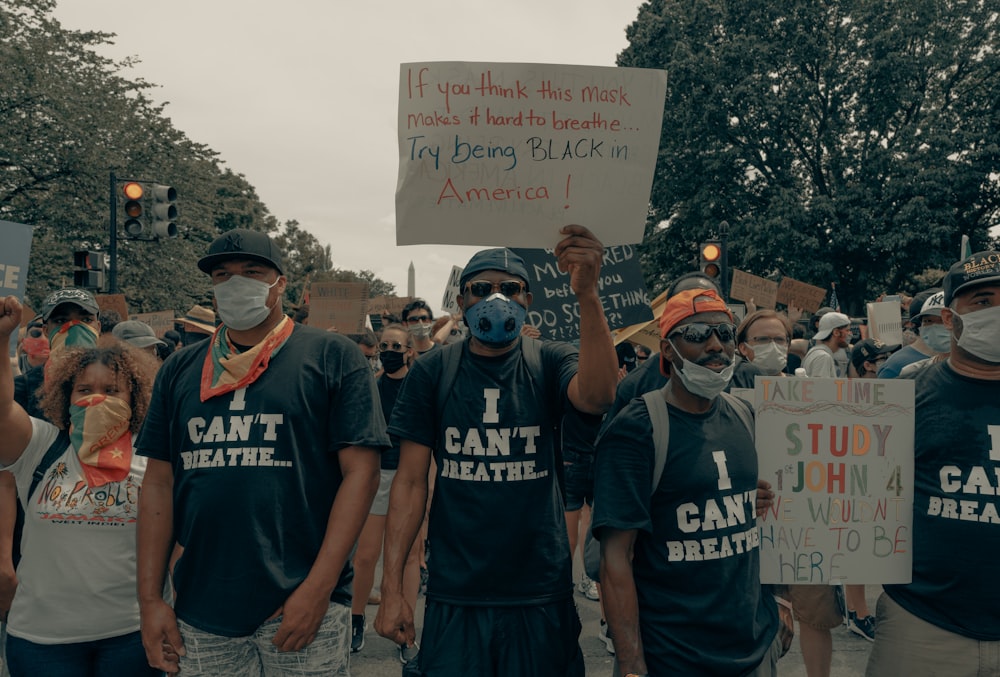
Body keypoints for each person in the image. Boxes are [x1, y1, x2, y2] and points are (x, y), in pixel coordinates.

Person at [135, 228, 390, 676]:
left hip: (302, 603)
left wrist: (319, 588)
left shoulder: (332, 356)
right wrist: (151, 601)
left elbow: (362, 475)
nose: (236, 283)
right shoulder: (180, 368)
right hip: (200, 611)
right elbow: (158, 483)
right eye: (223, 274)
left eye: (252, 272)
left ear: (281, 284)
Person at [375, 226, 618, 677]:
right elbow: (409, 483)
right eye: (481, 289)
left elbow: (599, 396)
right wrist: (392, 589)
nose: (496, 297)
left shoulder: (549, 359)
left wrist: (588, 296)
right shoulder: (432, 371)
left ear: (528, 299)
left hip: (539, 589)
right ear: (462, 301)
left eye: (510, 289)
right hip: (456, 591)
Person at [593, 288, 779, 676]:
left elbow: (761, 520)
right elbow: (615, 559)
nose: (715, 345)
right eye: (695, 334)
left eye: (725, 334)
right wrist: (630, 660)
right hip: (673, 655)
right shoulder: (637, 430)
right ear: (667, 350)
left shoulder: (746, 415)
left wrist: (782, 606)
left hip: (753, 650)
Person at [0, 296, 160, 676]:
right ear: (65, 397)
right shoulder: (39, 446)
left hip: (131, 636)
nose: (97, 398)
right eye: (84, 390)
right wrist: (2, 338)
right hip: (42, 642)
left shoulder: (154, 457)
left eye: (113, 390)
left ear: (133, 399)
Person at [866, 251, 1000, 676]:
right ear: (948, 317)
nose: (997, 311)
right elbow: (851, 487)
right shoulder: (904, 395)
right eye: (982, 301)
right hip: (921, 622)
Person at [350, 323, 421, 655]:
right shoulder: (372, 385)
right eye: (385, 346)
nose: (390, 352)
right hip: (378, 475)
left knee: (409, 558)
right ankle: (356, 619)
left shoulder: (419, 386)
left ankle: (407, 627)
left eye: (397, 346)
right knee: (365, 556)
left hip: (411, 476)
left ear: (409, 351)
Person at [736, 310, 793, 377]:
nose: (773, 346)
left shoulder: (800, 385)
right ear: (743, 348)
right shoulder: (733, 385)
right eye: (763, 339)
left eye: (779, 339)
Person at [802, 312, 852, 378]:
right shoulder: (823, 357)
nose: (850, 334)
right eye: (847, 330)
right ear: (836, 332)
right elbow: (821, 387)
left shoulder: (819, 353)